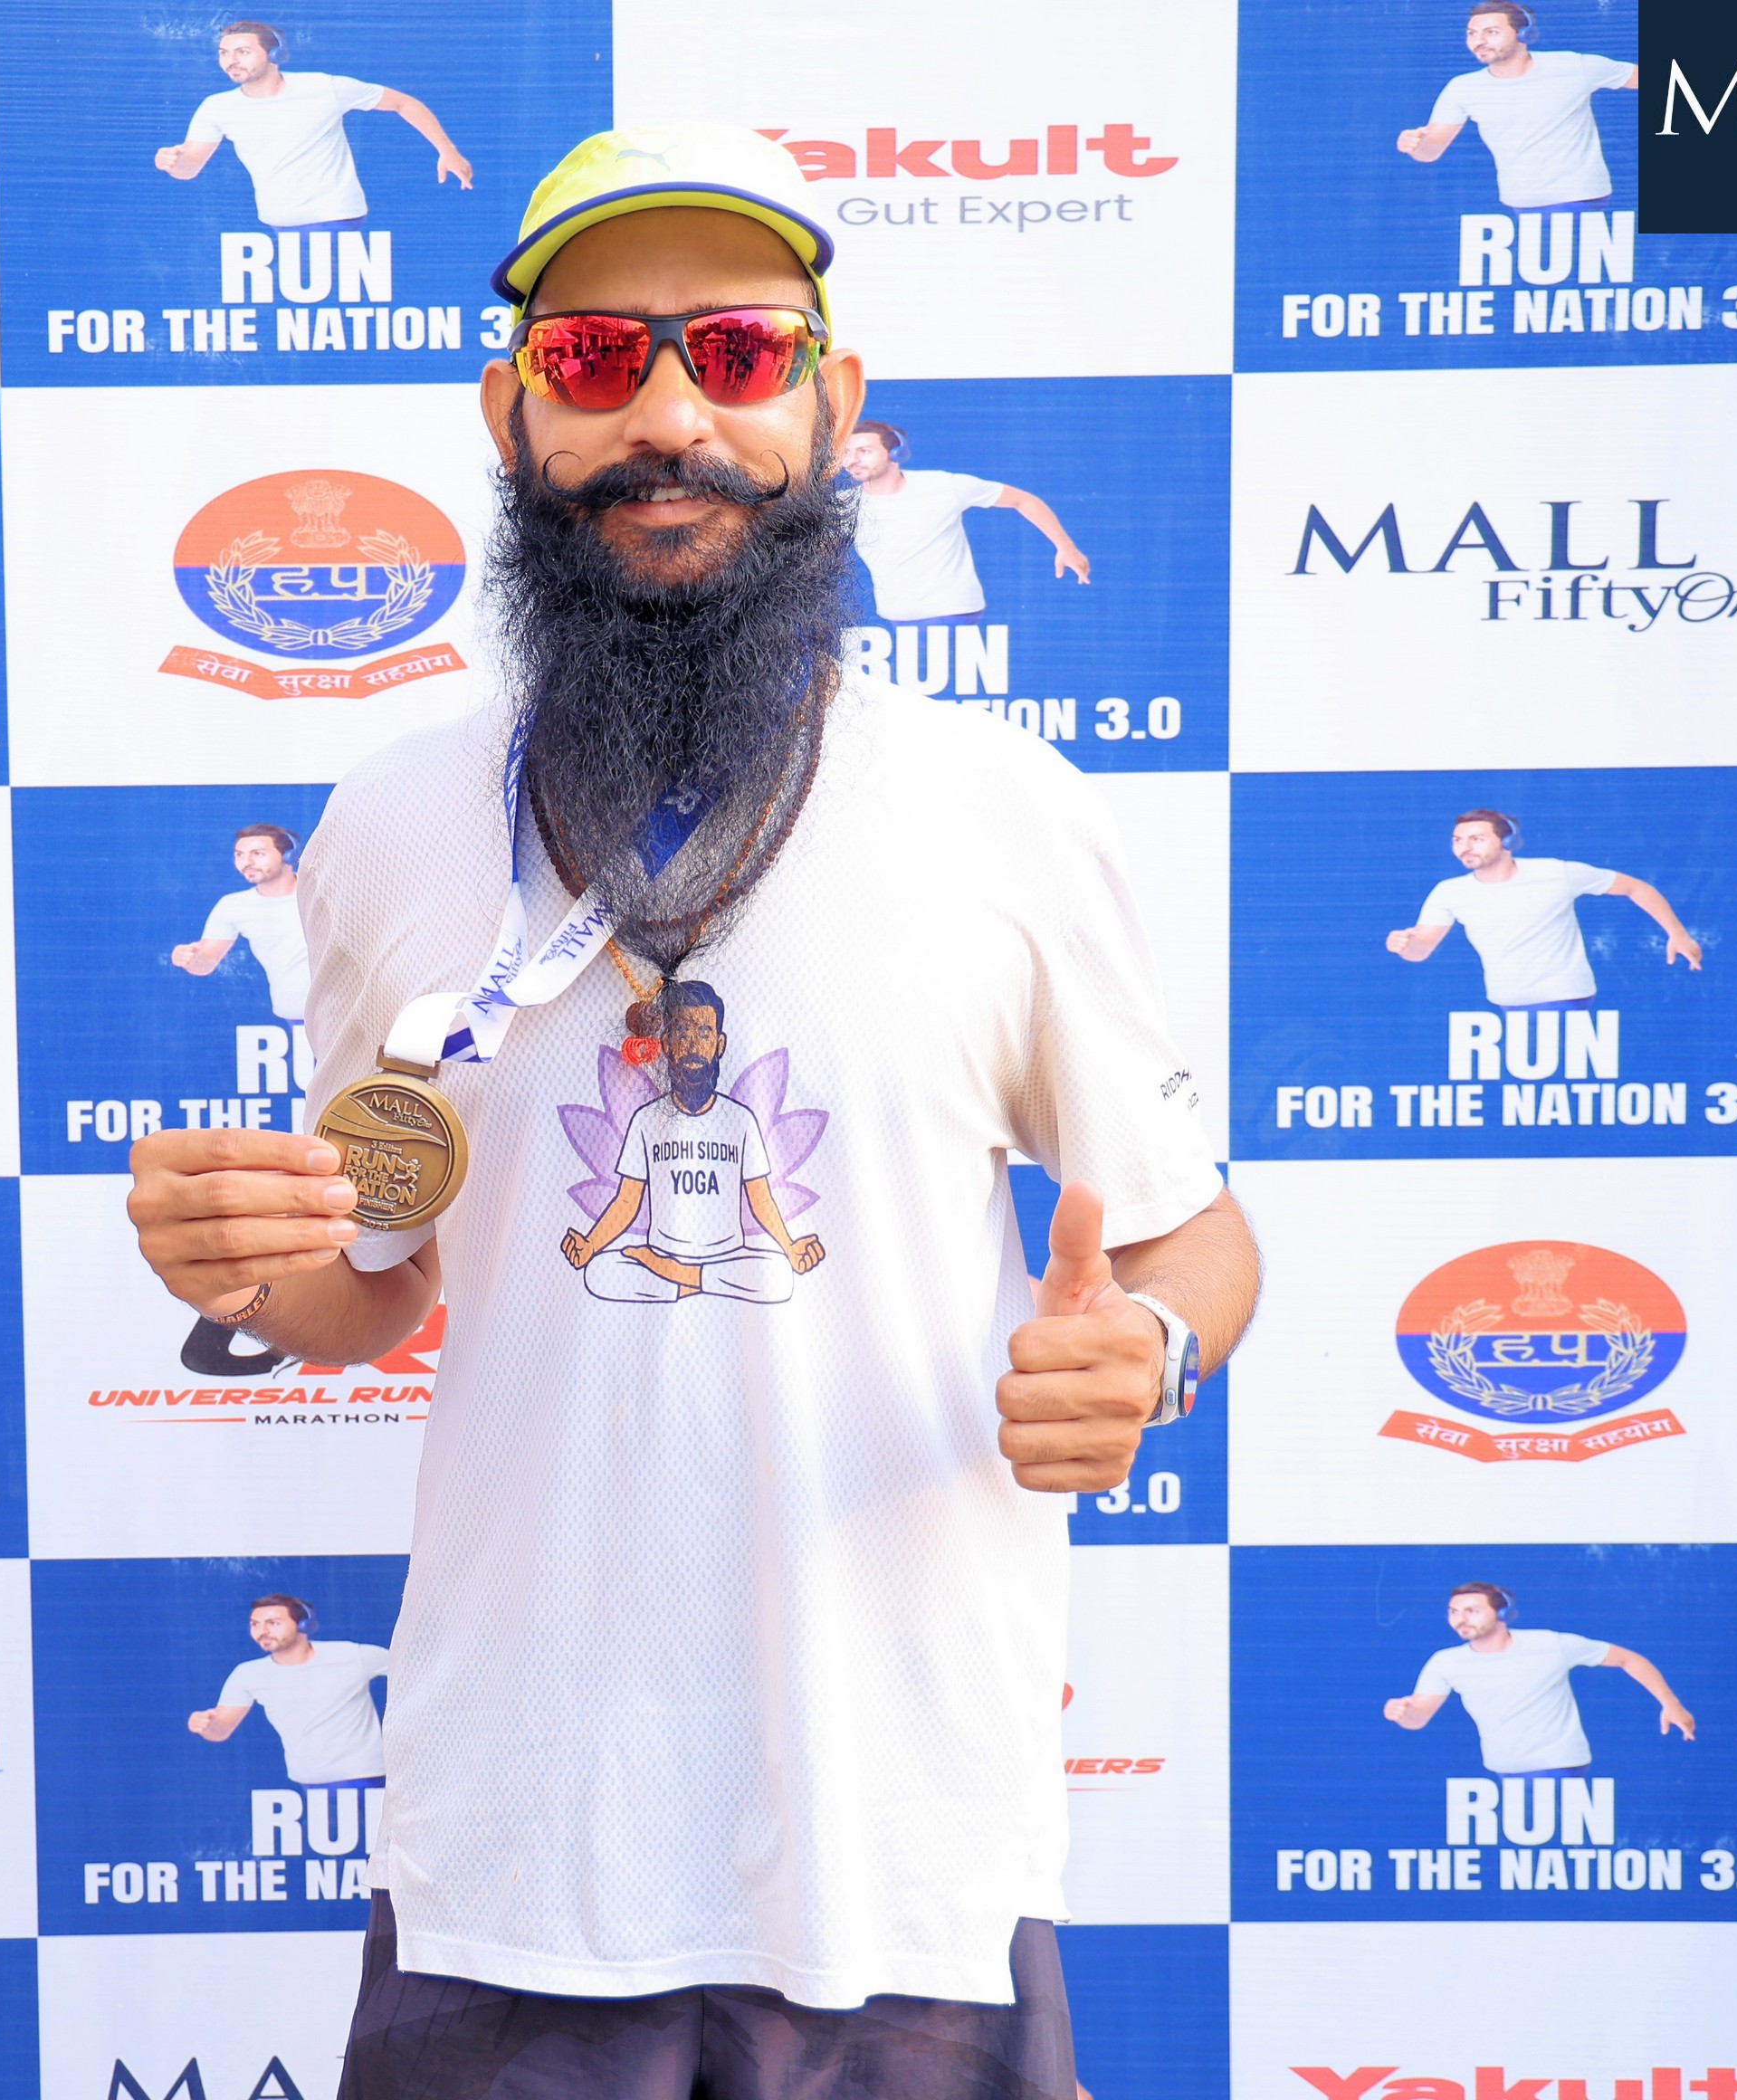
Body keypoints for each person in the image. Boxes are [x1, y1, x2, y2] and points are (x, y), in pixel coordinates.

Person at [126, 123, 1259, 2094]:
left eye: (735, 354)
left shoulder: (1007, 809)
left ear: (831, 403)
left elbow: (1189, 1233)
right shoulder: (392, 819)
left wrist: (1149, 1350)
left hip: (896, 1855)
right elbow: (369, 1279)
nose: (668, 418)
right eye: (594, 362)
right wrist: (243, 1255)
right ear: (511, 414)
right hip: (516, 1849)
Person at [562, 979, 826, 1303]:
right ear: (667, 1043)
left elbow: (760, 1198)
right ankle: (689, 1276)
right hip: (664, 1252)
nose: (692, 1045)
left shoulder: (740, 1119)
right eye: (682, 1033)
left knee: (781, 1275)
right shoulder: (645, 1119)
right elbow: (627, 1201)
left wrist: (790, 1247)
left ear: (719, 1044)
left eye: (703, 1033)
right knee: (599, 1271)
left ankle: (677, 1276)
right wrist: (590, 1245)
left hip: (728, 1256)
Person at [153, 21, 470, 232]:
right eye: (224, 53)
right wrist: (171, 162)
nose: (231, 61)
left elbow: (403, 103)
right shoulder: (216, 106)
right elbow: (190, 167)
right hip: (276, 225)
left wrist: (448, 152)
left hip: (336, 218)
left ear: (274, 54)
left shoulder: (323, 87)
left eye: (242, 52)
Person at [1383, 808, 1701, 1009]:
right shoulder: (1449, 891)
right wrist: (1404, 945)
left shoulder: (1556, 873)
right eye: (1457, 840)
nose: (1464, 848)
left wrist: (1678, 935)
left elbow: (1636, 888)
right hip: (1504, 1004)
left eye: (1476, 839)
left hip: (1564, 998)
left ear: (1507, 842)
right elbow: (1421, 950)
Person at [1383, 1581, 1696, 1776]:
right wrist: (1402, 1713)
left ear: (1501, 1613)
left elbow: (1628, 1659)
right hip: (1500, 1771)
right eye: (1453, 1611)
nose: (1460, 1619)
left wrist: (1671, 1704)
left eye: (1472, 1611)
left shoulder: (1549, 1644)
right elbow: (1419, 1717)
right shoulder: (1446, 1662)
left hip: (1558, 1767)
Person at [840, 420, 1089, 622]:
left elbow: (1022, 500)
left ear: (897, 453)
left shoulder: (943, 486)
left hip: (952, 613)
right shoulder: (844, 505)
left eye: (865, 451)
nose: (852, 460)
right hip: (893, 618)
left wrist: (1066, 547)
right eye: (847, 452)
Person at [1394, 2, 1635, 210]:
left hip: (1581, 198)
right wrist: (1415, 145)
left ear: (1523, 34)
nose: (1480, 41)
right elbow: (1431, 151)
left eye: (1491, 32)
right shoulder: (1463, 87)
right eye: (1472, 34)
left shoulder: (1573, 66)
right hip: (1517, 203)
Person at [186, 1594, 390, 1786]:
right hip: (305, 1784)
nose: (262, 1632)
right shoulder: (248, 1674)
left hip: (366, 1777)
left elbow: (408, 1669)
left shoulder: (351, 1656)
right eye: (255, 1624)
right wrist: (207, 1726)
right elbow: (222, 1729)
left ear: (304, 1624)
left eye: (273, 1623)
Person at [172, 822, 310, 1023]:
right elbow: (206, 963)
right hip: (292, 1017)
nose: (247, 862)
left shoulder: (325, 897)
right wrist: (190, 960)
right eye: (240, 855)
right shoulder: (233, 906)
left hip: (343, 1021)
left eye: (258, 854)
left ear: (289, 855)